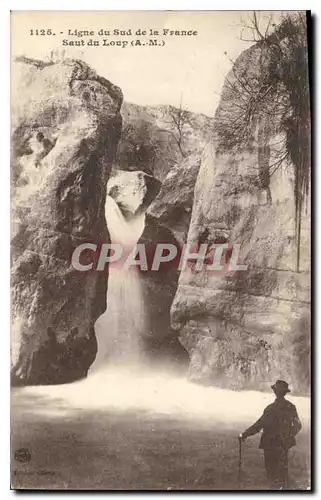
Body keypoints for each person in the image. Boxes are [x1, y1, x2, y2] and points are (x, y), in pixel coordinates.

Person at [239, 380, 302, 490]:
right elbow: (298, 425)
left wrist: (244, 434)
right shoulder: (290, 407)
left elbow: (258, 425)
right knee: (282, 474)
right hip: (283, 446)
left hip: (270, 445)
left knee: (272, 475)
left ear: (275, 392)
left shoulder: (270, 409)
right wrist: (288, 437)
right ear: (285, 392)